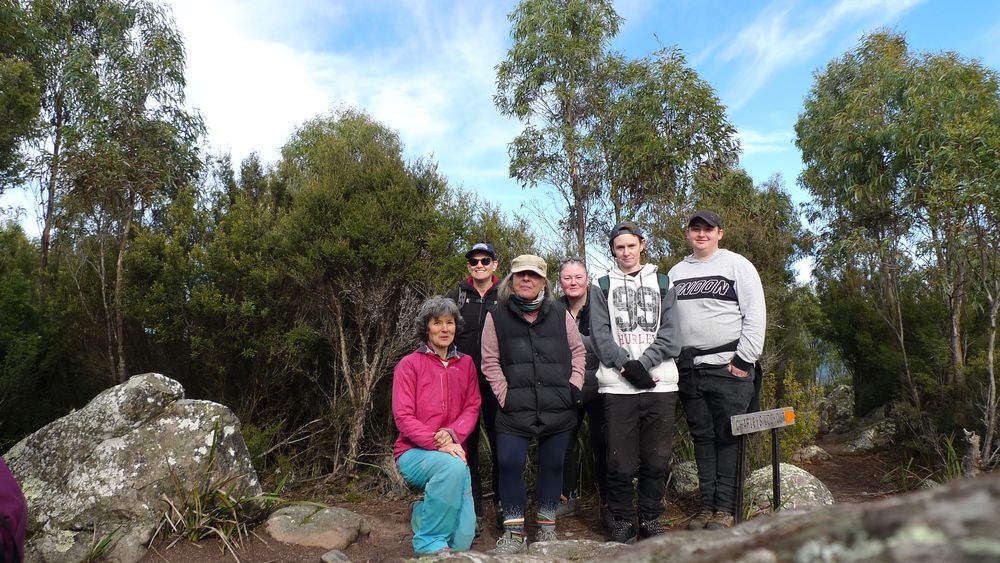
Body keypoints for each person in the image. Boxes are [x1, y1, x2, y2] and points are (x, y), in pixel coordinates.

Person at [480, 254, 585, 554]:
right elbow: (489, 361)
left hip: (558, 404)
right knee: (509, 462)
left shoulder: (560, 312)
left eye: (533, 275)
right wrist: (505, 395)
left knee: (553, 465)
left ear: (543, 281)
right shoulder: (496, 316)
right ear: (511, 280)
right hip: (515, 406)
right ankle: (514, 534)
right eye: (520, 275)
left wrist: (574, 387)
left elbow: (578, 353)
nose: (526, 279)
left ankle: (547, 527)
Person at [668, 210, 766, 530]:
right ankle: (707, 507)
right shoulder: (676, 273)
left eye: (708, 229)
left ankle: (726, 509)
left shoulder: (737, 266)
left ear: (720, 233)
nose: (701, 235)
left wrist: (743, 360)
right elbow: (668, 322)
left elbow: (754, 315)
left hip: (729, 367)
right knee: (702, 437)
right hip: (690, 368)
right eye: (695, 229)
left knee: (729, 437)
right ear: (687, 234)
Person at [591, 222, 680, 544]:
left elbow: (671, 334)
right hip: (617, 386)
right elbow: (600, 335)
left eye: (631, 246)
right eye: (619, 248)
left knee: (657, 457)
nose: (626, 252)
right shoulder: (601, 285)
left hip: (661, 383)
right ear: (613, 251)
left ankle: (651, 517)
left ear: (642, 244)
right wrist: (625, 366)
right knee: (619, 460)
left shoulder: (663, 282)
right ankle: (622, 520)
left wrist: (643, 364)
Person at [392, 296, 482, 556]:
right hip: (413, 453)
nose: (444, 329)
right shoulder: (409, 365)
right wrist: (438, 442)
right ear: (426, 328)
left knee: (463, 540)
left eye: (449, 323)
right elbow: (403, 416)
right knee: (450, 467)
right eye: (437, 323)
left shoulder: (465, 364)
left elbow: (472, 406)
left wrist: (452, 435)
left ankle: (420, 511)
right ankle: (428, 541)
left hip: (454, 452)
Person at [554, 258, 613, 529]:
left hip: (600, 385)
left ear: (587, 279)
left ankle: (607, 500)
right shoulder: (554, 309)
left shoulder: (603, 305)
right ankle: (567, 495)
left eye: (578, 277)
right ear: (560, 281)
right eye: (567, 278)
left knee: (603, 443)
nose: (573, 282)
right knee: (564, 442)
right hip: (568, 387)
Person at [446, 242, 501, 532]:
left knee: (501, 442)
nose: (479, 265)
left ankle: (504, 506)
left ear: (495, 264)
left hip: (496, 382)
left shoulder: (505, 296)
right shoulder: (456, 297)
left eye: (484, 260)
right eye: (474, 261)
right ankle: (474, 508)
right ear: (469, 265)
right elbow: (439, 333)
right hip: (462, 383)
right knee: (466, 447)